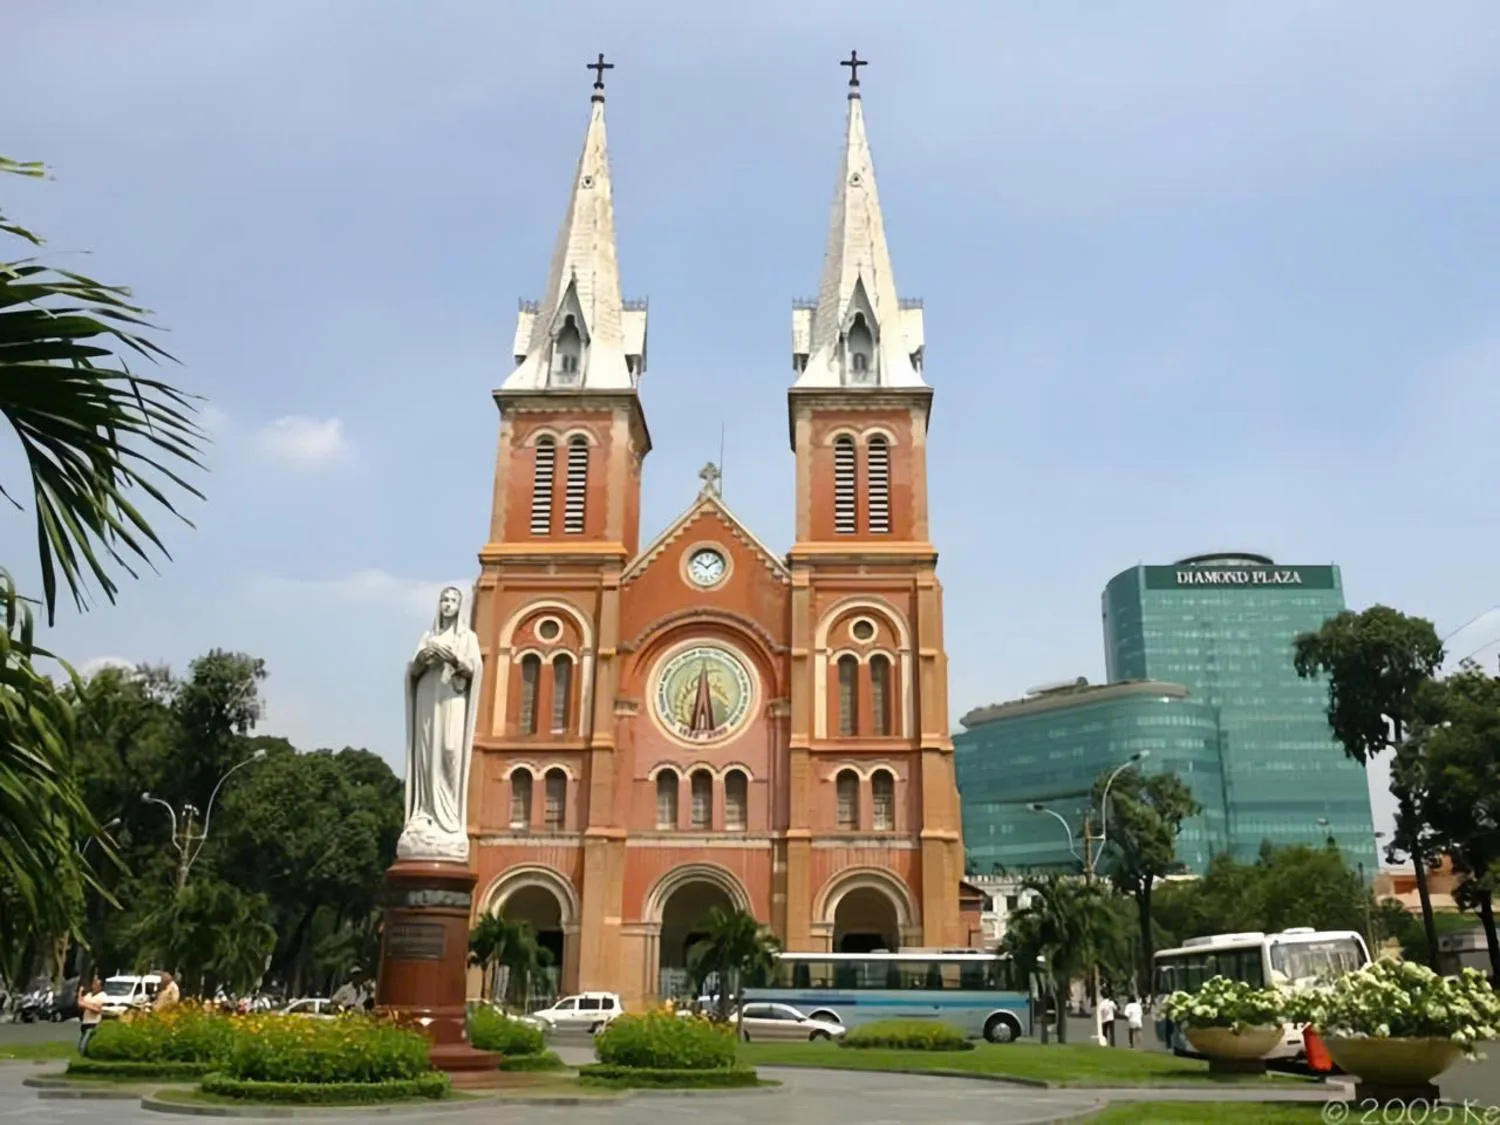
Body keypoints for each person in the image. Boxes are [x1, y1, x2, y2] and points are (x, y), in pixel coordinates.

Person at [77, 976, 105, 1055]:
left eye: (97, 984)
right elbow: (80, 1003)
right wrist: (80, 992)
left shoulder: (102, 996)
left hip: (94, 1023)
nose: (94, 986)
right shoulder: (88, 995)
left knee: (83, 1045)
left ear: (100, 987)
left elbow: (97, 1010)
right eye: (94, 983)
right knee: (80, 1046)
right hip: (85, 1022)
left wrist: (86, 1005)